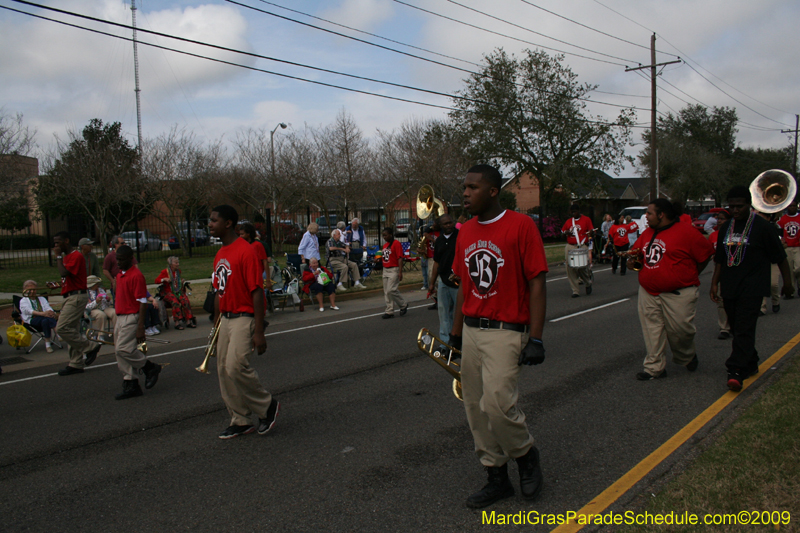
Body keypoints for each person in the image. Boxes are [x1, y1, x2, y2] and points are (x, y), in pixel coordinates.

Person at [449, 164, 547, 509]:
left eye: (472, 187)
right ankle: (496, 476)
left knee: (498, 405)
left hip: (507, 331)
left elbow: (537, 281)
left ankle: (525, 456)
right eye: (464, 186)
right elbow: (465, 284)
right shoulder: (465, 231)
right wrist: (456, 331)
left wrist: (535, 337)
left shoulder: (521, 225)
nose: (464, 193)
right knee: (474, 408)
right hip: (473, 329)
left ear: (492, 191)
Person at [710, 185, 793, 392]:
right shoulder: (725, 228)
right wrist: (714, 283)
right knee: (737, 327)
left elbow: (780, 258)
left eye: (740, 206)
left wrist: (788, 283)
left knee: (745, 328)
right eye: (732, 206)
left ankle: (736, 370)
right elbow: (720, 259)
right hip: (730, 286)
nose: (735, 210)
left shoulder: (763, 228)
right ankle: (751, 360)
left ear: (749, 204)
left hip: (753, 287)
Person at [209, 205, 278, 439]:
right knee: (223, 370)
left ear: (228, 224)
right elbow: (219, 291)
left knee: (236, 366)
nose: (210, 224)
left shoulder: (245, 251)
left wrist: (259, 331)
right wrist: (216, 324)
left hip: (244, 316)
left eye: (214, 220)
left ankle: (266, 405)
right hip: (225, 319)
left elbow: (257, 292)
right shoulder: (219, 254)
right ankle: (240, 419)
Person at [631, 199, 715, 381]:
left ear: (661, 215)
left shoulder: (687, 232)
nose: (646, 216)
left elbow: (705, 255)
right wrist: (633, 262)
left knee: (681, 332)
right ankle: (654, 368)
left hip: (679, 293)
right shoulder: (647, 233)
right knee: (652, 330)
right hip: (648, 292)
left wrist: (690, 275)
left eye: (650, 213)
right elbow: (638, 255)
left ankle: (687, 355)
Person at [112, 245, 162, 400]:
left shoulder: (136, 275)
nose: (118, 263)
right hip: (120, 316)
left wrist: (141, 326)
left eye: (121, 260)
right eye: (117, 260)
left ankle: (149, 367)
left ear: (130, 258)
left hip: (131, 316)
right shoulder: (120, 275)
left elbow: (142, 302)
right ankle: (131, 383)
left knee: (123, 349)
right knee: (119, 352)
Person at [53, 231, 101, 375]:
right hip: (69, 295)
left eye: (58, 242)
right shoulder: (68, 257)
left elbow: (64, 273)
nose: (56, 245)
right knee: (72, 329)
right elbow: (65, 278)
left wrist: (58, 257)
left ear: (66, 241)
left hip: (76, 296)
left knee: (62, 328)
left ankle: (90, 346)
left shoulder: (75, 256)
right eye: (54, 243)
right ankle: (76, 363)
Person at [428, 214, 458, 345]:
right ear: (441, 226)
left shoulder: (460, 236)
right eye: (445, 224)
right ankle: (445, 342)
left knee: (457, 314)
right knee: (443, 313)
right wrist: (431, 283)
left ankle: (458, 341)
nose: (449, 225)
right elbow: (436, 263)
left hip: (458, 282)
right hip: (443, 281)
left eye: (450, 222)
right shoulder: (439, 240)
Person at [707, 209, 731, 340]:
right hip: (718, 268)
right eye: (719, 219)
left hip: (734, 269)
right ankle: (724, 328)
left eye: (723, 219)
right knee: (721, 299)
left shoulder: (735, 234)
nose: (720, 221)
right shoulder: (713, 235)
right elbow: (709, 251)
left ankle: (735, 324)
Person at [155, 256, 196, 330]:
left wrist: (181, 281)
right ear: (171, 264)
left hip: (177, 291)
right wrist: (164, 279)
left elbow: (177, 281)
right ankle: (177, 322)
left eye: (178, 262)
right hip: (167, 292)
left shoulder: (178, 271)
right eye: (176, 263)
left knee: (185, 300)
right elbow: (156, 280)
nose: (178, 264)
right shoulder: (165, 272)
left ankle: (188, 321)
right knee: (175, 302)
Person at [561, 204, 593, 297]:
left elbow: (592, 232)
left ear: (579, 211)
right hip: (570, 246)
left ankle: (587, 282)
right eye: (571, 212)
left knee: (581, 266)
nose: (573, 213)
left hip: (582, 245)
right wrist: (565, 233)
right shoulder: (568, 222)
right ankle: (575, 290)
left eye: (574, 211)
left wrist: (590, 233)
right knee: (570, 267)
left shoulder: (586, 219)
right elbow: (562, 234)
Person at [20, 280, 59, 353]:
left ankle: (48, 345)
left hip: (45, 319)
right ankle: (58, 334)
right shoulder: (23, 300)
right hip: (32, 320)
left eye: (34, 290)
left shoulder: (41, 298)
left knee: (45, 321)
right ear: (25, 290)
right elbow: (29, 311)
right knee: (46, 319)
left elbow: (47, 307)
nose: (32, 292)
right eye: (30, 290)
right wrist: (43, 314)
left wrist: (51, 312)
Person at [756, 211, 782, 315]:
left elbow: (781, 244)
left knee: (773, 284)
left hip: (772, 260)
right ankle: (762, 307)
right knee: (760, 284)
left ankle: (775, 301)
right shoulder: (754, 229)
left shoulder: (774, 228)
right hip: (760, 261)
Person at [379, 227, 407, 319]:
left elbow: (400, 258)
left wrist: (400, 271)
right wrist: (378, 259)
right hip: (385, 269)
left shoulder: (396, 243)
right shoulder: (385, 246)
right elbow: (385, 257)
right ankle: (389, 310)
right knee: (387, 292)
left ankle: (403, 304)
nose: (384, 237)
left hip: (393, 269)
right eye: (383, 235)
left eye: (386, 235)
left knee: (391, 290)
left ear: (391, 234)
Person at [776, 200, 800, 297]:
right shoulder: (783, 219)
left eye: (794, 206)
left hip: (798, 246)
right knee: (789, 270)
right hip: (787, 247)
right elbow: (779, 232)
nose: (792, 208)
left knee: (798, 268)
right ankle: (790, 290)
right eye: (790, 206)